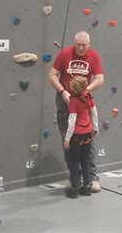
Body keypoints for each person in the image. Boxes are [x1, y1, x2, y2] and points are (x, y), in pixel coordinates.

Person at [48, 31, 104, 192]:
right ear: (74, 43)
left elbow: (100, 78)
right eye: (78, 44)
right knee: (69, 143)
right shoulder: (65, 54)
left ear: (89, 44)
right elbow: (52, 75)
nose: (80, 48)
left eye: (84, 45)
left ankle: (91, 179)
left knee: (88, 142)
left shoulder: (94, 56)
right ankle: (75, 179)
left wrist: (85, 90)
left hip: (84, 104)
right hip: (65, 103)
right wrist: (62, 91)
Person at [63, 76, 99, 199]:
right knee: (86, 160)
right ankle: (87, 187)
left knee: (74, 162)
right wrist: (95, 127)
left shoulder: (73, 100)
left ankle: (74, 188)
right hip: (88, 132)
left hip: (77, 135)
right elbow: (94, 112)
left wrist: (67, 138)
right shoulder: (88, 95)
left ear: (74, 89)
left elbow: (72, 121)